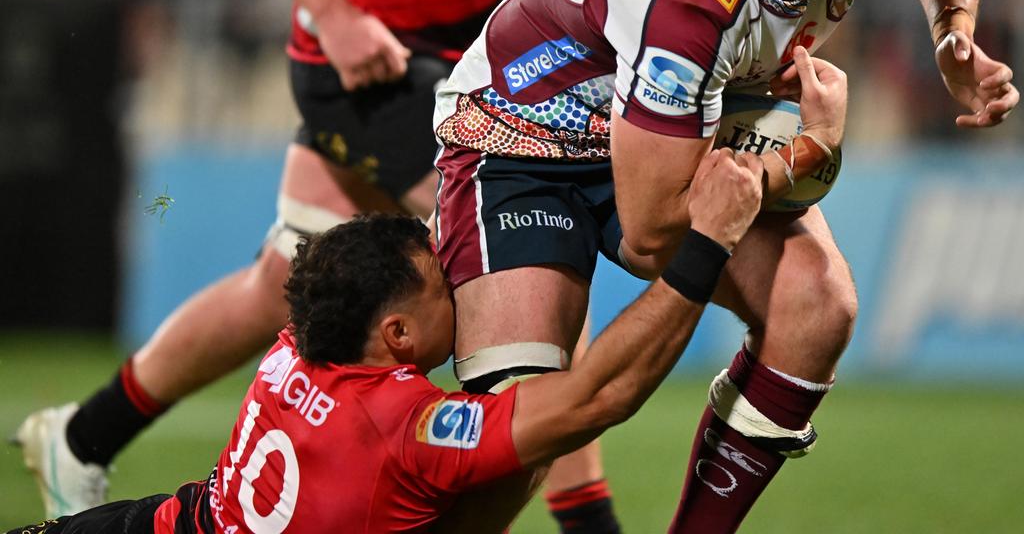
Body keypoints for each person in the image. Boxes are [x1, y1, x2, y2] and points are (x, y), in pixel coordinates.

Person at [15, 0, 656, 527]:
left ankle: (83, 437)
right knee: (529, 258)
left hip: (474, 61)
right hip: (364, 61)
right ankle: (591, 521)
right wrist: (330, 11)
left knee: (280, 278)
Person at [431, 0, 1019, 533]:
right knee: (515, 441)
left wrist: (952, 31)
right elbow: (650, 236)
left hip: (663, 126)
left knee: (816, 304)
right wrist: (804, 151)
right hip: (522, 138)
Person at [8, 150, 763, 534]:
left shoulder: (294, 342)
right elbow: (595, 396)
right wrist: (706, 244)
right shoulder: (408, 428)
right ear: (396, 333)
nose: (464, 284)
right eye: (447, 283)